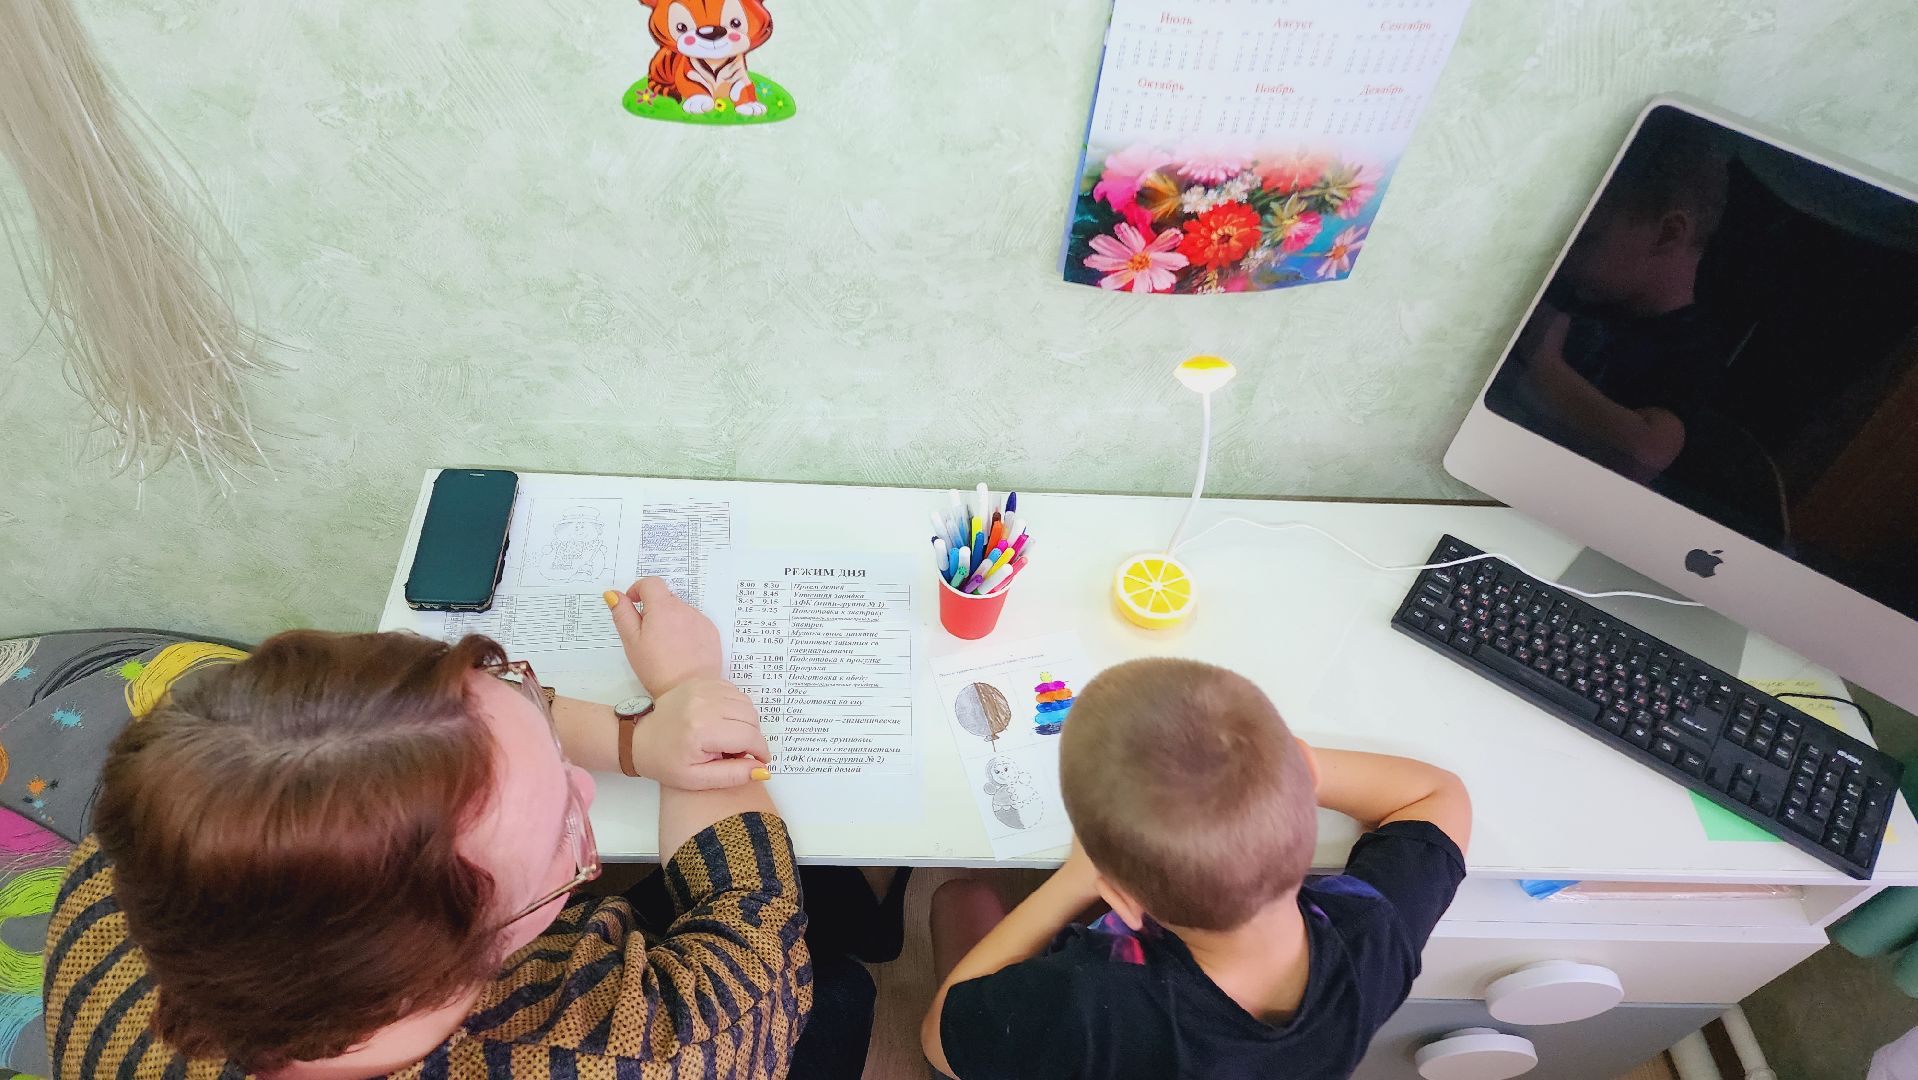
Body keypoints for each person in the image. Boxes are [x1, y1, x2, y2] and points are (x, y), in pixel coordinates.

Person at [44, 579, 872, 1079]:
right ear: (441, 967)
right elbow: (748, 928)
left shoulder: (136, 856)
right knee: (837, 992)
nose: (584, 787)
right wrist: (695, 684)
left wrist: (639, 739)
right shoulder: (638, 1051)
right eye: (564, 837)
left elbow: (415, 729)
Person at [921, 658, 1472, 1080]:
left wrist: (1071, 880)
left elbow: (939, 1044)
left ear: (1120, 897)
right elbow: (1436, 794)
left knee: (960, 899)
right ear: (1306, 771)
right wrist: (1272, 772)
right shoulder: (1371, 934)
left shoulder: (1088, 1001)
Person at [1498, 119, 1736, 483]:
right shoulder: (1577, 290)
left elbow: (1645, 453)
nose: (1562, 256)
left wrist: (1542, 364)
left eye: (1586, 239)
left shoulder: (1691, 347)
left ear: (1668, 234)